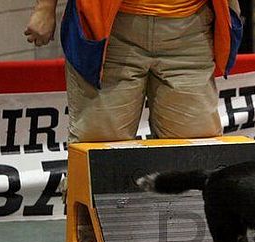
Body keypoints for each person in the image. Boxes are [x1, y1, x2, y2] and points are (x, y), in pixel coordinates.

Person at [25, 0, 243, 143]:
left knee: (195, 148)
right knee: (100, 149)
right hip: (111, 31)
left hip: (190, 31)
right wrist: (44, 8)